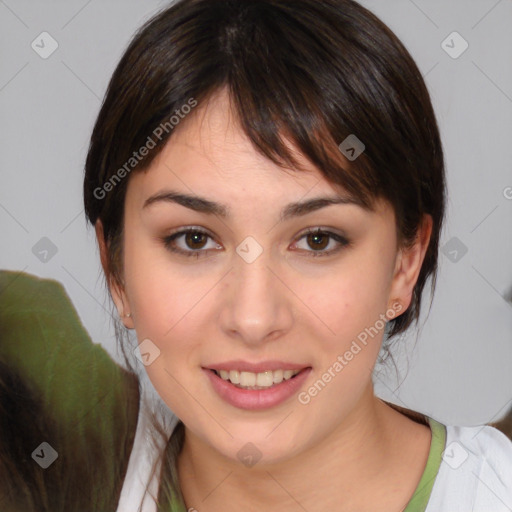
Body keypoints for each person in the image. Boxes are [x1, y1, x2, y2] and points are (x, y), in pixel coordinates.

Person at [4, 0, 507, 511]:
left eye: (317, 240)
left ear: (405, 263)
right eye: (194, 240)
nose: (253, 318)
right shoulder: (69, 472)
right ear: (116, 270)